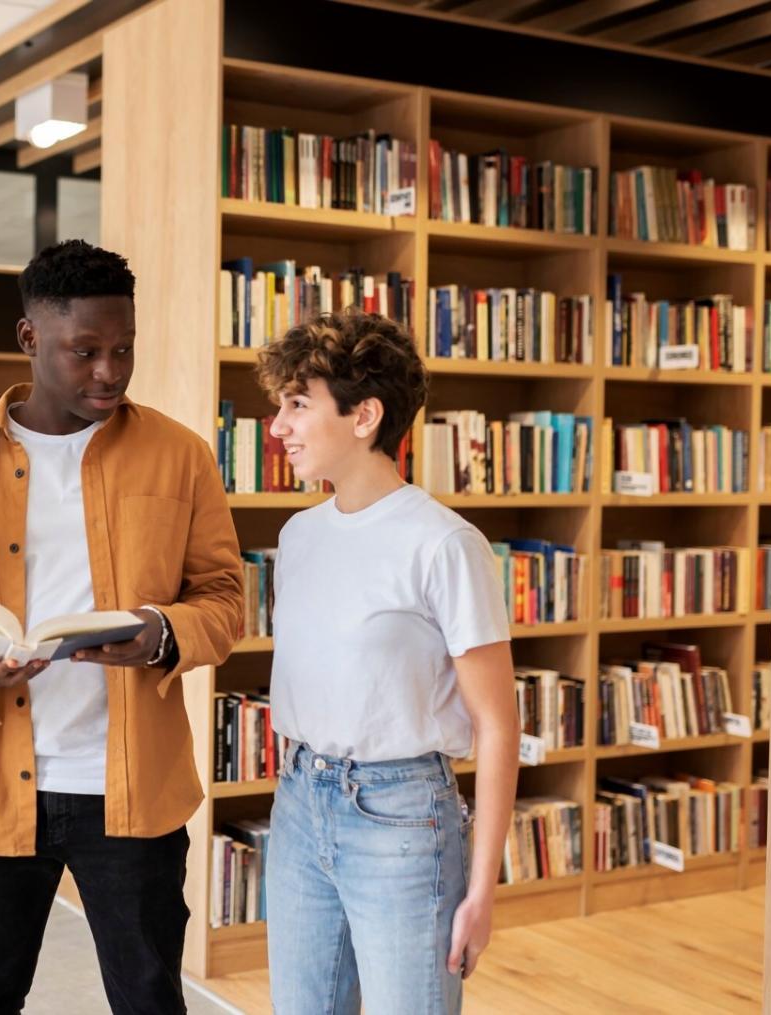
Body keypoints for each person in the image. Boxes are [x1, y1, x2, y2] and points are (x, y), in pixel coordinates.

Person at [0, 240, 244, 1014]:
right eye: (85, 351)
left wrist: (160, 631)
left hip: (131, 790)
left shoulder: (181, 455)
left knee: (149, 1000)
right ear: (30, 338)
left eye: (122, 349)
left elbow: (225, 598)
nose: (109, 371)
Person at [258, 310, 518, 1015]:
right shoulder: (298, 533)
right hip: (299, 800)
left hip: (402, 817)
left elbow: (498, 725)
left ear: (365, 415)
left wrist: (481, 890)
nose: (277, 425)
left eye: (297, 404)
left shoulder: (442, 544)